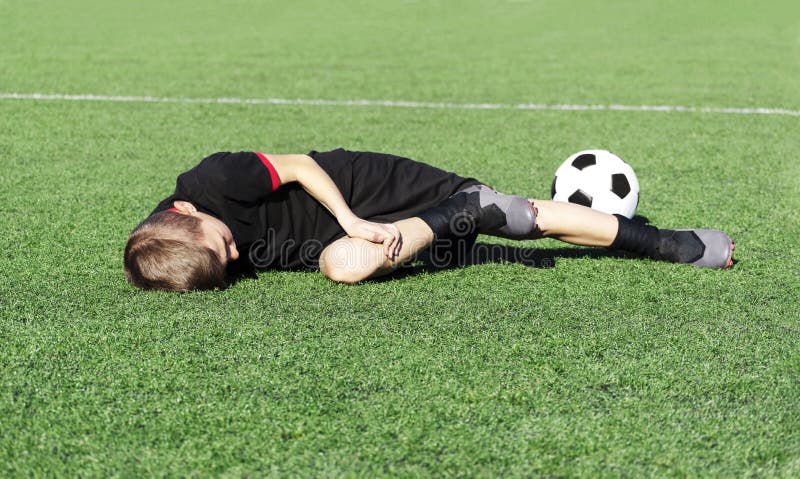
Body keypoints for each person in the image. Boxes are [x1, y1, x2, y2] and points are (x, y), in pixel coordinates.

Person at [123, 149, 734, 292]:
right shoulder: (180, 252)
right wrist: (350, 239)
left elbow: (303, 167)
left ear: (186, 212)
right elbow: (212, 257)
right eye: (227, 265)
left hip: (370, 191)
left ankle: (668, 244)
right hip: (341, 242)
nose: (236, 259)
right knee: (344, 270)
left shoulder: (210, 182)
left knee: (518, 219)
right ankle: (457, 219)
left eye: (227, 245)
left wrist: (354, 218)